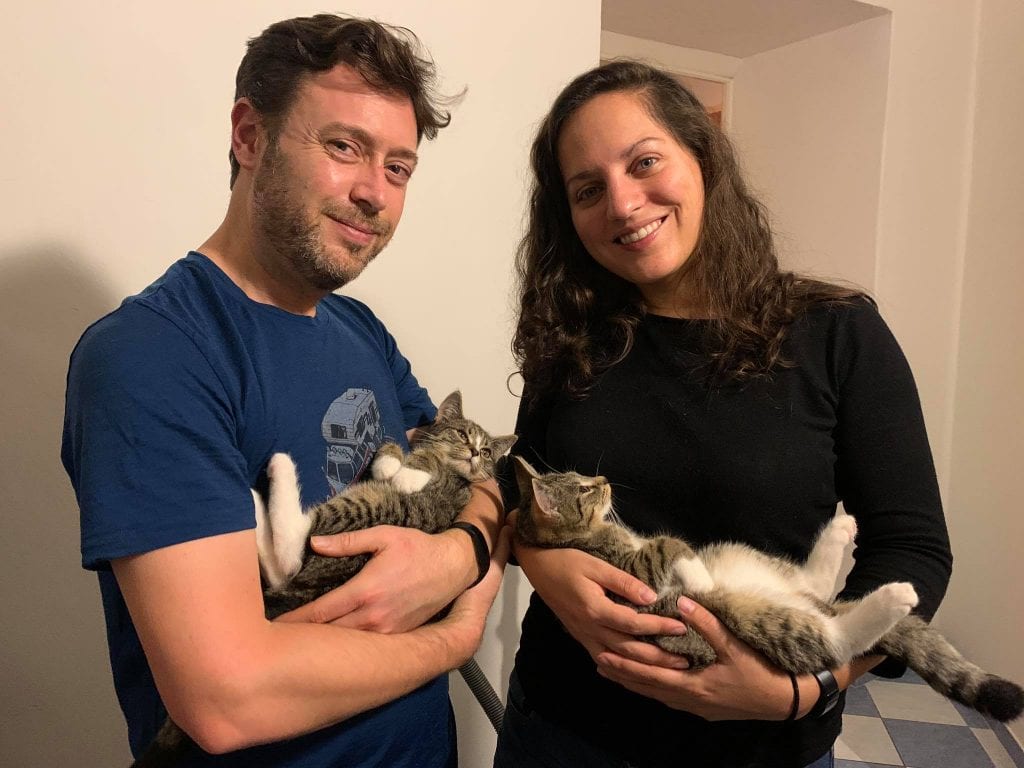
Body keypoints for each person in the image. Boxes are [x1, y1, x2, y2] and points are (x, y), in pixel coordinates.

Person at [61, 15, 507, 768]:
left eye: (399, 169)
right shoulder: (151, 353)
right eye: (345, 147)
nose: (375, 193)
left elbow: (482, 481)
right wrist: (454, 636)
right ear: (248, 136)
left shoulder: (359, 328)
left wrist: (459, 555)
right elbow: (228, 698)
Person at [493, 60, 953, 768]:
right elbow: (521, 492)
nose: (622, 204)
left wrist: (811, 688)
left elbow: (914, 550)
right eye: (588, 190)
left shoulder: (838, 333)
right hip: (560, 731)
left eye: (644, 162)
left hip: (763, 749)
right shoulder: (570, 336)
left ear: (702, 158)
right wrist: (544, 567)